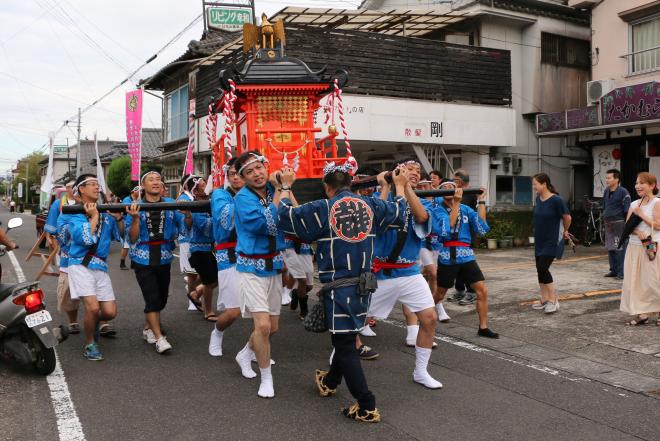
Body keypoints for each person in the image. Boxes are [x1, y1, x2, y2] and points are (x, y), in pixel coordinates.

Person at [278, 161, 409, 423]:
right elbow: (399, 211)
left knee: (344, 344)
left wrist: (284, 186)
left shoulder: (323, 207)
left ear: (327, 188)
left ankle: (366, 404)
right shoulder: (370, 205)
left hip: (339, 285)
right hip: (364, 284)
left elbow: (285, 215)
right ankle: (330, 380)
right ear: (350, 184)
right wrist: (400, 186)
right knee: (345, 337)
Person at [367, 159, 443, 389]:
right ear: (397, 171)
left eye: (418, 171)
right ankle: (336, 364)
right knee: (352, 323)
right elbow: (374, 220)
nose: (415, 173)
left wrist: (406, 187)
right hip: (380, 273)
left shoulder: (423, 202)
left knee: (429, 318)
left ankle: (421, 371)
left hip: (409, 271)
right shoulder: (383, 196)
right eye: (410, 169)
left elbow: (421, 218)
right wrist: (386, 187)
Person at [232, 151, 286, 399]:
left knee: (271, 328)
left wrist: (285, 187)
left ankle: (245, 353)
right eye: (249, 171)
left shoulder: (274, 190)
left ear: (266, 167)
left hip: (273, 265)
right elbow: (265, 224)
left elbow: (291, 212)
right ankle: (267, 378)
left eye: (259, 168)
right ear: (242, 178)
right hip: (250, 266)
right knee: (262, 326)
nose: (257, 174)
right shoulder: (242, 198)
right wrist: (280, 191)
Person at [62, 174, 122, 361]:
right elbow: (85, 239)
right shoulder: (73, 213)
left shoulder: (105, 212)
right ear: (81, 189)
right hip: (80, 263)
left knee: (110, 313)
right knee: (93, 309)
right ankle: (90, 343)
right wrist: (94, 216)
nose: (97, 187)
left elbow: (120, 237)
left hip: (100, 266)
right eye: (93, 184)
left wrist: (121, 218)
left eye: (98, 184)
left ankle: (91, 321)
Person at [125, 171, 184, 354]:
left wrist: (188, 214)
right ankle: (160, 338)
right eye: (151, 179)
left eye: (159, 179)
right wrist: (135, 219)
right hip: (143, 257)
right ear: (143, 185)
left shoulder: (172, 204)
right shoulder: (135, 206)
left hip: (165, 256)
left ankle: (148, 328)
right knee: (152, 298)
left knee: (161, 298)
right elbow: (132, 238)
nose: (156, 182)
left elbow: (185, 226)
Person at [433, 179, 498, 338]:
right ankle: (422, 317)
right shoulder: (437, 210)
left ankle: (483, 327)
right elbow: (447, 227)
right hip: (447, 256)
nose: (449, 189)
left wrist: (481, 200)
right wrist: (456, 202)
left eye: (452, 187)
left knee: (482, 290)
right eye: (444, 187)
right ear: (439, 191)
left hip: (467, 255)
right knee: (440, 294)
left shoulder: (466, 209)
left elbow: (482, 228)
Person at [208, 158, 244, 356]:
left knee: (263, 314)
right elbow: (226, 218)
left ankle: (254, 350)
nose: (236, 177)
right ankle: (217, 333)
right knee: (234, 310)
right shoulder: (221, 194)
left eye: (240, 172)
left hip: (256, 254)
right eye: (232, 174)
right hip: (229, 253)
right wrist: (247, 196)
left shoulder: (261, 193)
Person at [620, 172, 660, 326]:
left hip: (652, 245)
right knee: (635, 282)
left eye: (642, 183)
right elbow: (628, 226)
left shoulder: (656, 203)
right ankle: (641, 314)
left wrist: (642, 215)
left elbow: (658, 225)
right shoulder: (634, 204)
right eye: (637, 183)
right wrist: (638, 232)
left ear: (652, 185)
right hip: (635, 247)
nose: (638, 186)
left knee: (653, 280)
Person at [531, 173, 571, 314]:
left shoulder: (556, 200)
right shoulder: (538, 199)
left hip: (551, 240)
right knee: (539, 270)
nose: (534, 186)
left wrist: (564, 231)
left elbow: (567, 217)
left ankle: (553, 300)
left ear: (544, 184)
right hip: (539, 240)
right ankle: (544, 299)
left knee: (543, 268)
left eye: (535, 184)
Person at [186, 175, 218, 321]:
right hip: (198, 249)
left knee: (215, 279)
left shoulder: (210, 203)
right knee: (209, 281)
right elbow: (204, 227)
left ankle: (195, 293)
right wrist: (218, 217)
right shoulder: (196, 205)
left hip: (208, 248)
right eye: (202, 184)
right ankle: (208, 311)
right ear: (195, 189)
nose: (206, 185)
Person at [449, 169, 477, 304]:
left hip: (466, 236)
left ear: (459, 181)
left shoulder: (469, 194)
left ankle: (471, 292)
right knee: (456, 264)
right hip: (456, 235)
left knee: (466, 265)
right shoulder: (459, 194)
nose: (452, 182)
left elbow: (459, 208)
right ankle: (459, 290)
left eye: (454, 180)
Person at [602, 169, 631, 279]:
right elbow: (605, 205)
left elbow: (627, 209)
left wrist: (626, 224)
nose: (607, 180)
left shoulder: (623, 191)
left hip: (619, 223)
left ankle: (621, 272)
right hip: (608, 222)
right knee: (610, 247)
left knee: (619, 247)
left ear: (617, 179)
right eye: (606, 178)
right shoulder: (606, 191)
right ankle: (613, 270)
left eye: (609, 178)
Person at [177, 176, 201, 311]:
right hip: (187, 239)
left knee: (205, 272)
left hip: (200, 239)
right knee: (192, 273)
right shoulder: (183, 199)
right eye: (197, 183)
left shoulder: (196, 197)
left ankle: (194, 292)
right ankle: (192, 300)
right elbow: (183, 224)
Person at [119, 186, 140, 270]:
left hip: (137, 223)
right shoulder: (127, 199)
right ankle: (122, 263)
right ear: (133, 191)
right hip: (128, 224)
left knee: (135, 244)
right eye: (139, 190)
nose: (140, 192)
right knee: (126, 245)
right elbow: (125, 210)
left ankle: (133, 262)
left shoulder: (140, 199)